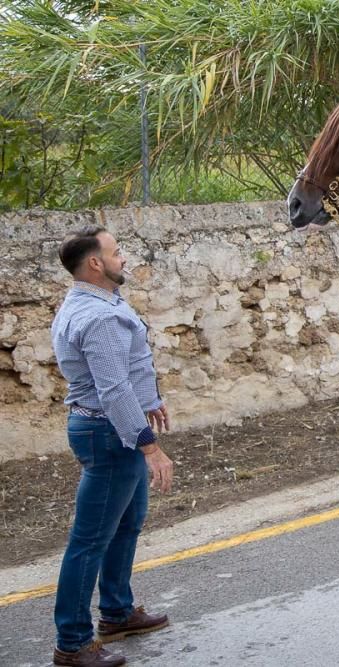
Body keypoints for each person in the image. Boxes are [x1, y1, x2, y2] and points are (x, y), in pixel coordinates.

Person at [50, 226, 174, 667]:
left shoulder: (94, 301)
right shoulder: (98, 317)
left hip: (112, 430)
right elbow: (113, 389)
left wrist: (151, 399)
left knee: (127, 523)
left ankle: (118, 612)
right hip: (109, 435)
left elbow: (130, 363)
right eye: (116, 253)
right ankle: (73, 642)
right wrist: (149, 447)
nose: (124, 259)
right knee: (89, 541)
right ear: (96, 264)